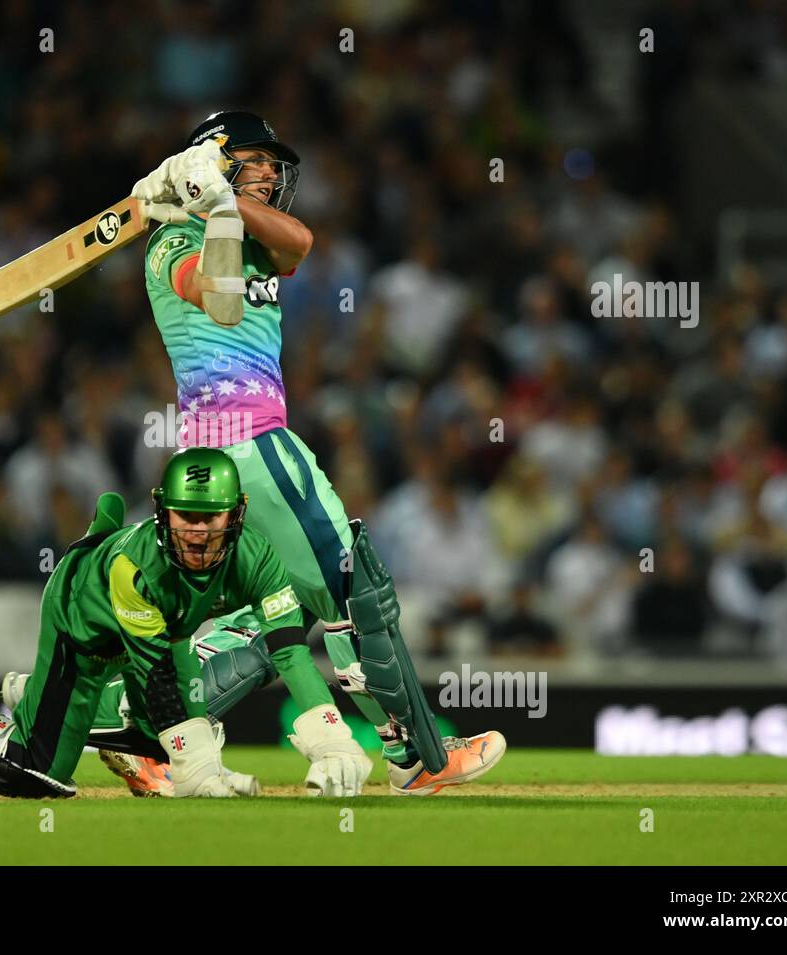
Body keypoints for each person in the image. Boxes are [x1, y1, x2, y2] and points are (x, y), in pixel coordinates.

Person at [128, 110, 506, 794]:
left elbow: (301, 241)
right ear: (212, 156)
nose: (272, 172)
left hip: (223, 456)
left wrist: (217, 195)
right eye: (256, 158)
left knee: (287, 611)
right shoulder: (172, 241)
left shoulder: (245, 228)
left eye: (277, 163)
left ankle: (152, 734)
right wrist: (199, 206)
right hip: (252, 444)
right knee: (353, 592)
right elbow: (216, 302)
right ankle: (418, 753)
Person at [0, 448, 371, 798]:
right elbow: (157, 675)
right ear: (161, 512)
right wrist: (195, 764)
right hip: (84, 621)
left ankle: (35, 698)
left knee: (167, 734)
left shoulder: (260, 559)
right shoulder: (137, 569)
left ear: (236, 513)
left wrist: (332, 739)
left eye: (209, 518)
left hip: (166, 635)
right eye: (184, 517)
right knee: (37, 773)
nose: (195, 534)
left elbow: (288, 649)